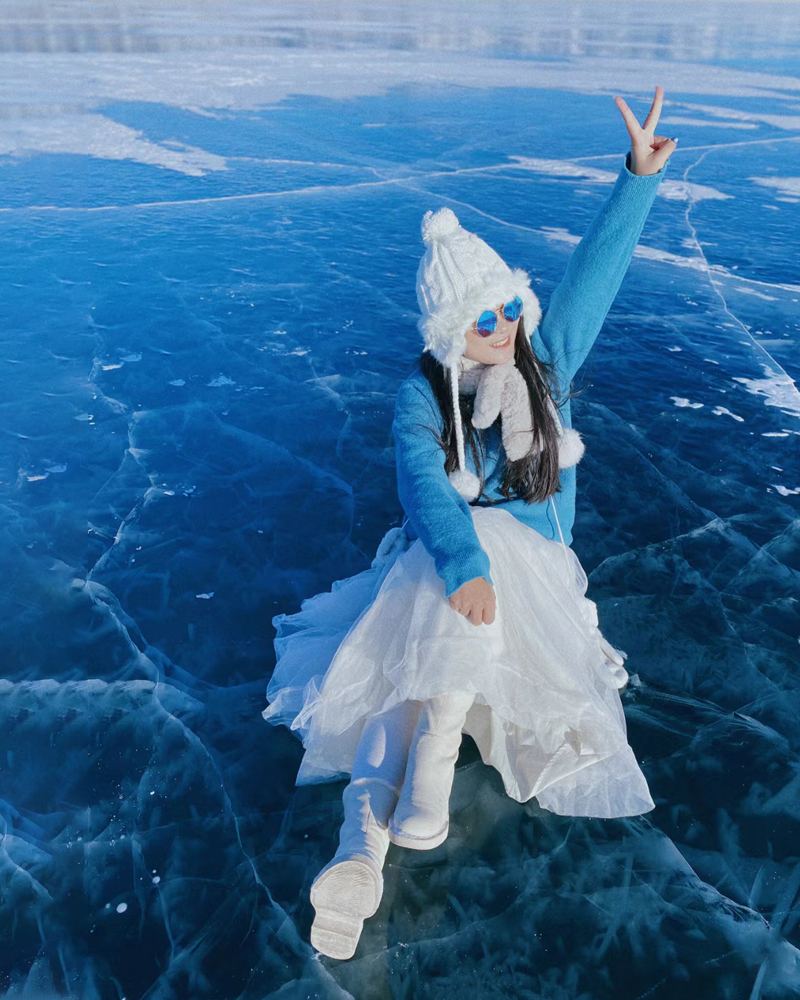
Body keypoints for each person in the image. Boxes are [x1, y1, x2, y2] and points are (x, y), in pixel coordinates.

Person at [263, 87, 677, 961]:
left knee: (413, 665)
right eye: (481, 319)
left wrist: (636, 179)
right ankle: (363, 844)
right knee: (401, 672)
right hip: (452, 565)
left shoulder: (544, 365)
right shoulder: (422, 397)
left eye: (507, 308)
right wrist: (462, 564)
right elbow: (424, 484)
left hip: (532, 571)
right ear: (452, 332)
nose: (501, 327)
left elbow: (592, 280)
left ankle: (410, 787)